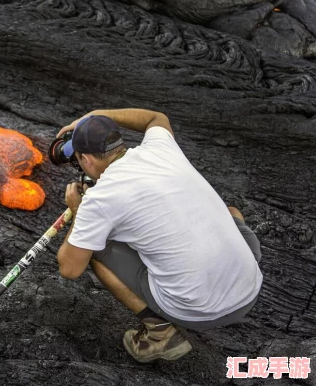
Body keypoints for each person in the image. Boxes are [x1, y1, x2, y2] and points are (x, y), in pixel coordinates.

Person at [56, 108, 263, 363]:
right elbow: (157, 118)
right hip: (250, 282)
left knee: (93, 249)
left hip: (201, 311)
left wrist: (78, 211)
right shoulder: (160, 147)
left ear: (86, 160)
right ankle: (226, 265)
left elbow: (70, 268)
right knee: (230, 212)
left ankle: (159, 333)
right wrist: (97, 114)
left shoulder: (100, 199)